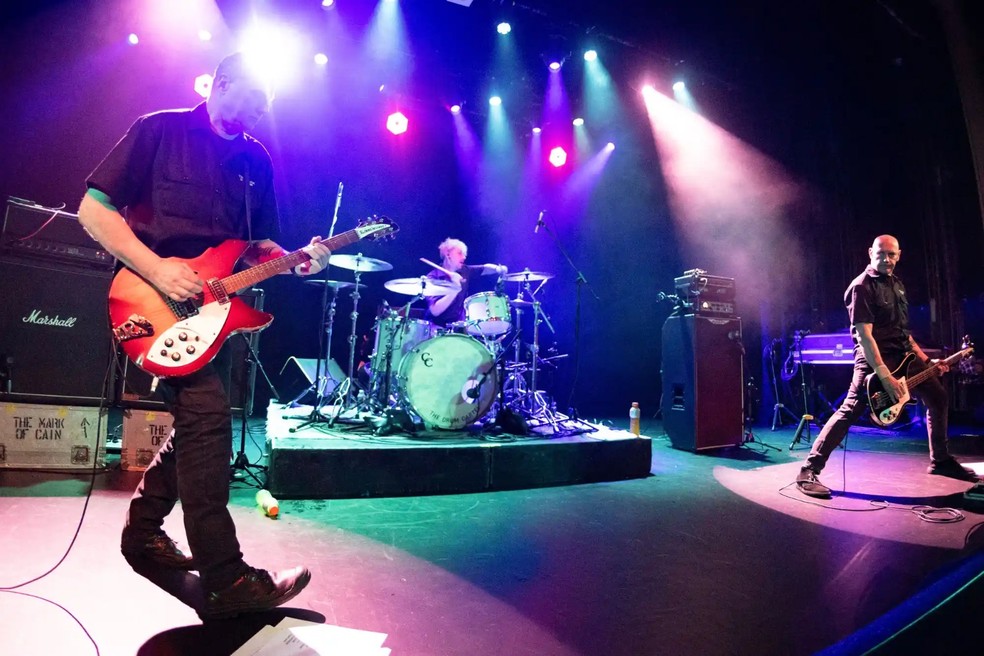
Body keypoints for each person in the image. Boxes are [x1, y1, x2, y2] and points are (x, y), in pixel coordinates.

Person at [78, 52, 330, 619]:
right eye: (256, 97)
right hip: (150, 303)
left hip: (211, 319)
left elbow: (255, 248)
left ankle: (142, 532)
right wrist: (157, 268)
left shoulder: (255, 160)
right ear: (222, 83)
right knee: (211, 418)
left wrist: (295, 259)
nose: (263, 111)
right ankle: (226, 576)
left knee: (200, 423)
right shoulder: (159, 129)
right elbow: (93, 210)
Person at [795, 234, 977, 499]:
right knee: (849, 410)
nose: (887, 259)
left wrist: (927, 362)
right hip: (873, 359)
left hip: (904, 355)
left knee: (937, 396)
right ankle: (808, 469)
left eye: (892, 255)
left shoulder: (898, 285)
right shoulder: (861, 286)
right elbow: (865, 337)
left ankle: (940, 460)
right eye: (881, 254)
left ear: (899, 255)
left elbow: (904, 333)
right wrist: (884, 374)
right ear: (871, 253)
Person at [424, 237, 507, 327]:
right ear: (448, 255)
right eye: (460, 253)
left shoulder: (464, 270)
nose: (464, 257)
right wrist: (455, 288)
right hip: (435, 329)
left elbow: (485, 268)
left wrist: (498, 269)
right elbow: (435, 310)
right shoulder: (433, 277)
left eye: (464, 254)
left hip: (457, 328)